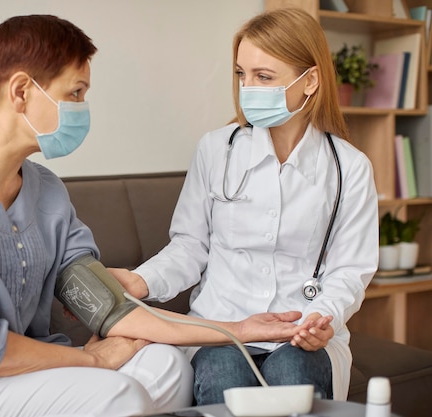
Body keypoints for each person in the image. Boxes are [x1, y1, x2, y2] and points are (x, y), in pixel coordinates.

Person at [0, 14, 315, 417]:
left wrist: (237, 330)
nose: (81, 110)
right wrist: (93, 363)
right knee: (117, 394)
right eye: (75, 93)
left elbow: (106, 305)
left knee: (168, 367)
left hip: (9, 376)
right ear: (23, 91)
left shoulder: (45, 191)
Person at [110, 7, 379, 406]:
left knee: (294, 375)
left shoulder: (349, 168)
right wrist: (140, 281)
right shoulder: (216, 150)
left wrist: (321, 320)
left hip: (300, 327)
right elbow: (190, 247)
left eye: (264, 77)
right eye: (241, 74)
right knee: (225, 377)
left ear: (310, 82)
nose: (247, 87)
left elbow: (349, 271)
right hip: (224, 323)